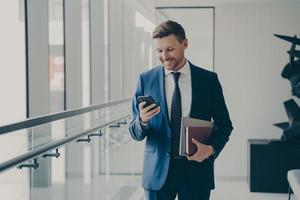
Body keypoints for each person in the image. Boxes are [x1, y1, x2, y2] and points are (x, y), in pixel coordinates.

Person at [129, 20, 233, 200]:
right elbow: (134, 131)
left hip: (196, 171)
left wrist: (210, 150)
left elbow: (225, 125)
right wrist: (142, 121)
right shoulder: (145, 80)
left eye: (169, 49)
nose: (164, 56)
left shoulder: (208, 80)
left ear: (185, 43)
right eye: (159, 51)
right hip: (157, 173)